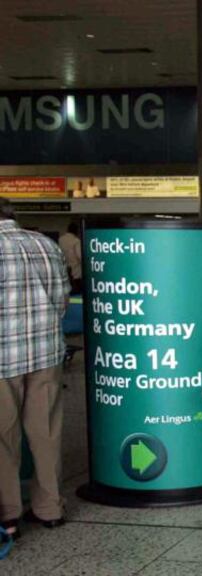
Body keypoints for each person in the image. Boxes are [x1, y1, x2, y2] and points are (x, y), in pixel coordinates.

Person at [0, 198, 71, 541]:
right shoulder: (45, 244)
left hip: (3, 361)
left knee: (4, 438)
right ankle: (50, 509)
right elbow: (62, 300)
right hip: (46, 355)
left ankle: (8, 515)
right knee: (46, 433)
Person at [58, 222, 83, 294]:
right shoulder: (76, 241)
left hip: (65, 269)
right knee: (77, 292)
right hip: (76, 271)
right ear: (76, 231)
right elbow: (79, 256)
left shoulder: (61, 239)